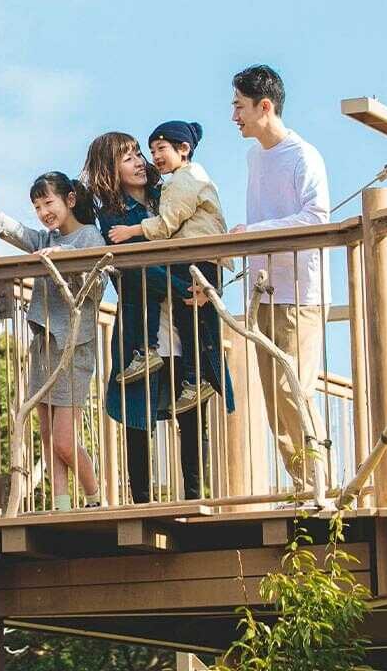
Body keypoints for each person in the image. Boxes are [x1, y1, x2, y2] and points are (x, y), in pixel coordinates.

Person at [84, 132, 233, 503]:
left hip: (188, 323)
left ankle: (199, 499)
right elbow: (138, 268)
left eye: (139, 154)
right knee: (139, 416)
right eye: (128, 157)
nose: (138, 161)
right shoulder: (112, 217)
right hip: (144, 329)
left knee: (193, 413)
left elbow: (206, 241)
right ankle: (142, 503)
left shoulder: (167, 195)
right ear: (110, 168)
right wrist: (186, 288)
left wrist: (208, 285)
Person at [0, 172, 103, 511]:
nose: (44, 211)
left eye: (49, 202)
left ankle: (95, 499)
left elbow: (96, 284)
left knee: (64, 439)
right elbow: (14, 230)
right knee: (47, 436)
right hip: (45, 345)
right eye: (37, 206)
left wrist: (61, 256)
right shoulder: (44, 238)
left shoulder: (89, 236)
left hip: (75, 348)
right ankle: (63, 507)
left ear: (70, 199)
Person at [229, 64, 330, 495]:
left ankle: (319, 484)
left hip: (300, 293)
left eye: (239, 106)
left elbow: (317, 217)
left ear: (263, 106)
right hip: (263, 291)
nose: (234, 116)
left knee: (296, 391)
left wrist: (251, 234)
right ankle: (302, 484)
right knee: (273, 398)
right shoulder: (254, 156)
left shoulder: (303, 156)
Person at [105, 121, 231, 413]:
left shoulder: (184, 181)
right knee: (189, 323)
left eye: (159, 148)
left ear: (183, 149)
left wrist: (131, 231)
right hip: (199, 258)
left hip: (198, 259)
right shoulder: (184, 179)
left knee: (188, 320)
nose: (152, 157)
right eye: (150, 150)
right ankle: (191, 379)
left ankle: (186, 375)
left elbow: (166, 224)